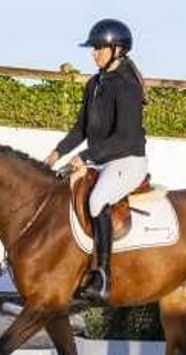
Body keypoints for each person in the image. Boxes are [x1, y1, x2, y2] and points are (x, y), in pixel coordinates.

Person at [44, 18, 148, 301]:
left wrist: (86, 156)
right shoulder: (94, 83)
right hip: (100, 159)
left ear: (117, 49)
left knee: (97, 200)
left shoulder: (128, 86)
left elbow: (125, 138)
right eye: (93, 48)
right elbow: (81, 129)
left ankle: (102, 276)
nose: (93, 53)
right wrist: (56, 153)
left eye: (98, 48)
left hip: (127, 160)